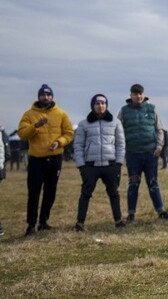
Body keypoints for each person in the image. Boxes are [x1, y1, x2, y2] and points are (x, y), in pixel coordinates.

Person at [17, 84, 74, 235]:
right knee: (34, 192)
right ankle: (31, 225)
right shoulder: (29, 114)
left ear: (52, 97)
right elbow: (22, 134)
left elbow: (69, 133)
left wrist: (59, 142)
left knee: (50, 191)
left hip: (55, 158)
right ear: (38, 97)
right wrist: (36, 126)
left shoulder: (61, 114)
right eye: (43, 95)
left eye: (48, 95)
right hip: (36, 159)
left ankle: (44, 222)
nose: (46, 97)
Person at [118, 84, 168, 222]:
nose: (138, 96)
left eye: (140, 93)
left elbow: (159, 129)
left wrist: (159, 147)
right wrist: (123, 150)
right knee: (133, 184)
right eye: (135, 94)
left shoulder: (151, 109)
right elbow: (118, 131)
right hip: (133, 154)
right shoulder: (124, 111)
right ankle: (131, 214)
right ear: (130, 95)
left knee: (153, 183)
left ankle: (161, 211)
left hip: (150, 154)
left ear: (143, 94)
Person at [72, 94, 126, 231]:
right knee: (85, 194)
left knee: (114, 193)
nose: (100, 106)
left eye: (103, 103)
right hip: (91, 166)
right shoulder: (84, 124)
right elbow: (78, 146)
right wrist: (81, 165)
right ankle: (80, 223)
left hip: (110, 164)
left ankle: (118, 220)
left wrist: (118, 163)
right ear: (92, 106)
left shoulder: (116, 122)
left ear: (106, 105)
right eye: (97, 103)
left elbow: (121, 144)